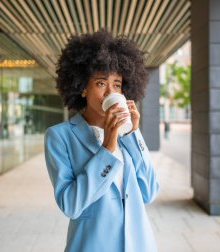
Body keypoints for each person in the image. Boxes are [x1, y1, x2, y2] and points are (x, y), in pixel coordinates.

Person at [44, 30, 159, 252]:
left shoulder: (127, 134)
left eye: (117, 85)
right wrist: (107, 147)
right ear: (83, 87)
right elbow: (71, 205)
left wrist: (133, 133)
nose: (110, 92)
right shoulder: (60, 136)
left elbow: (150, 192)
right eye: (100, 83)